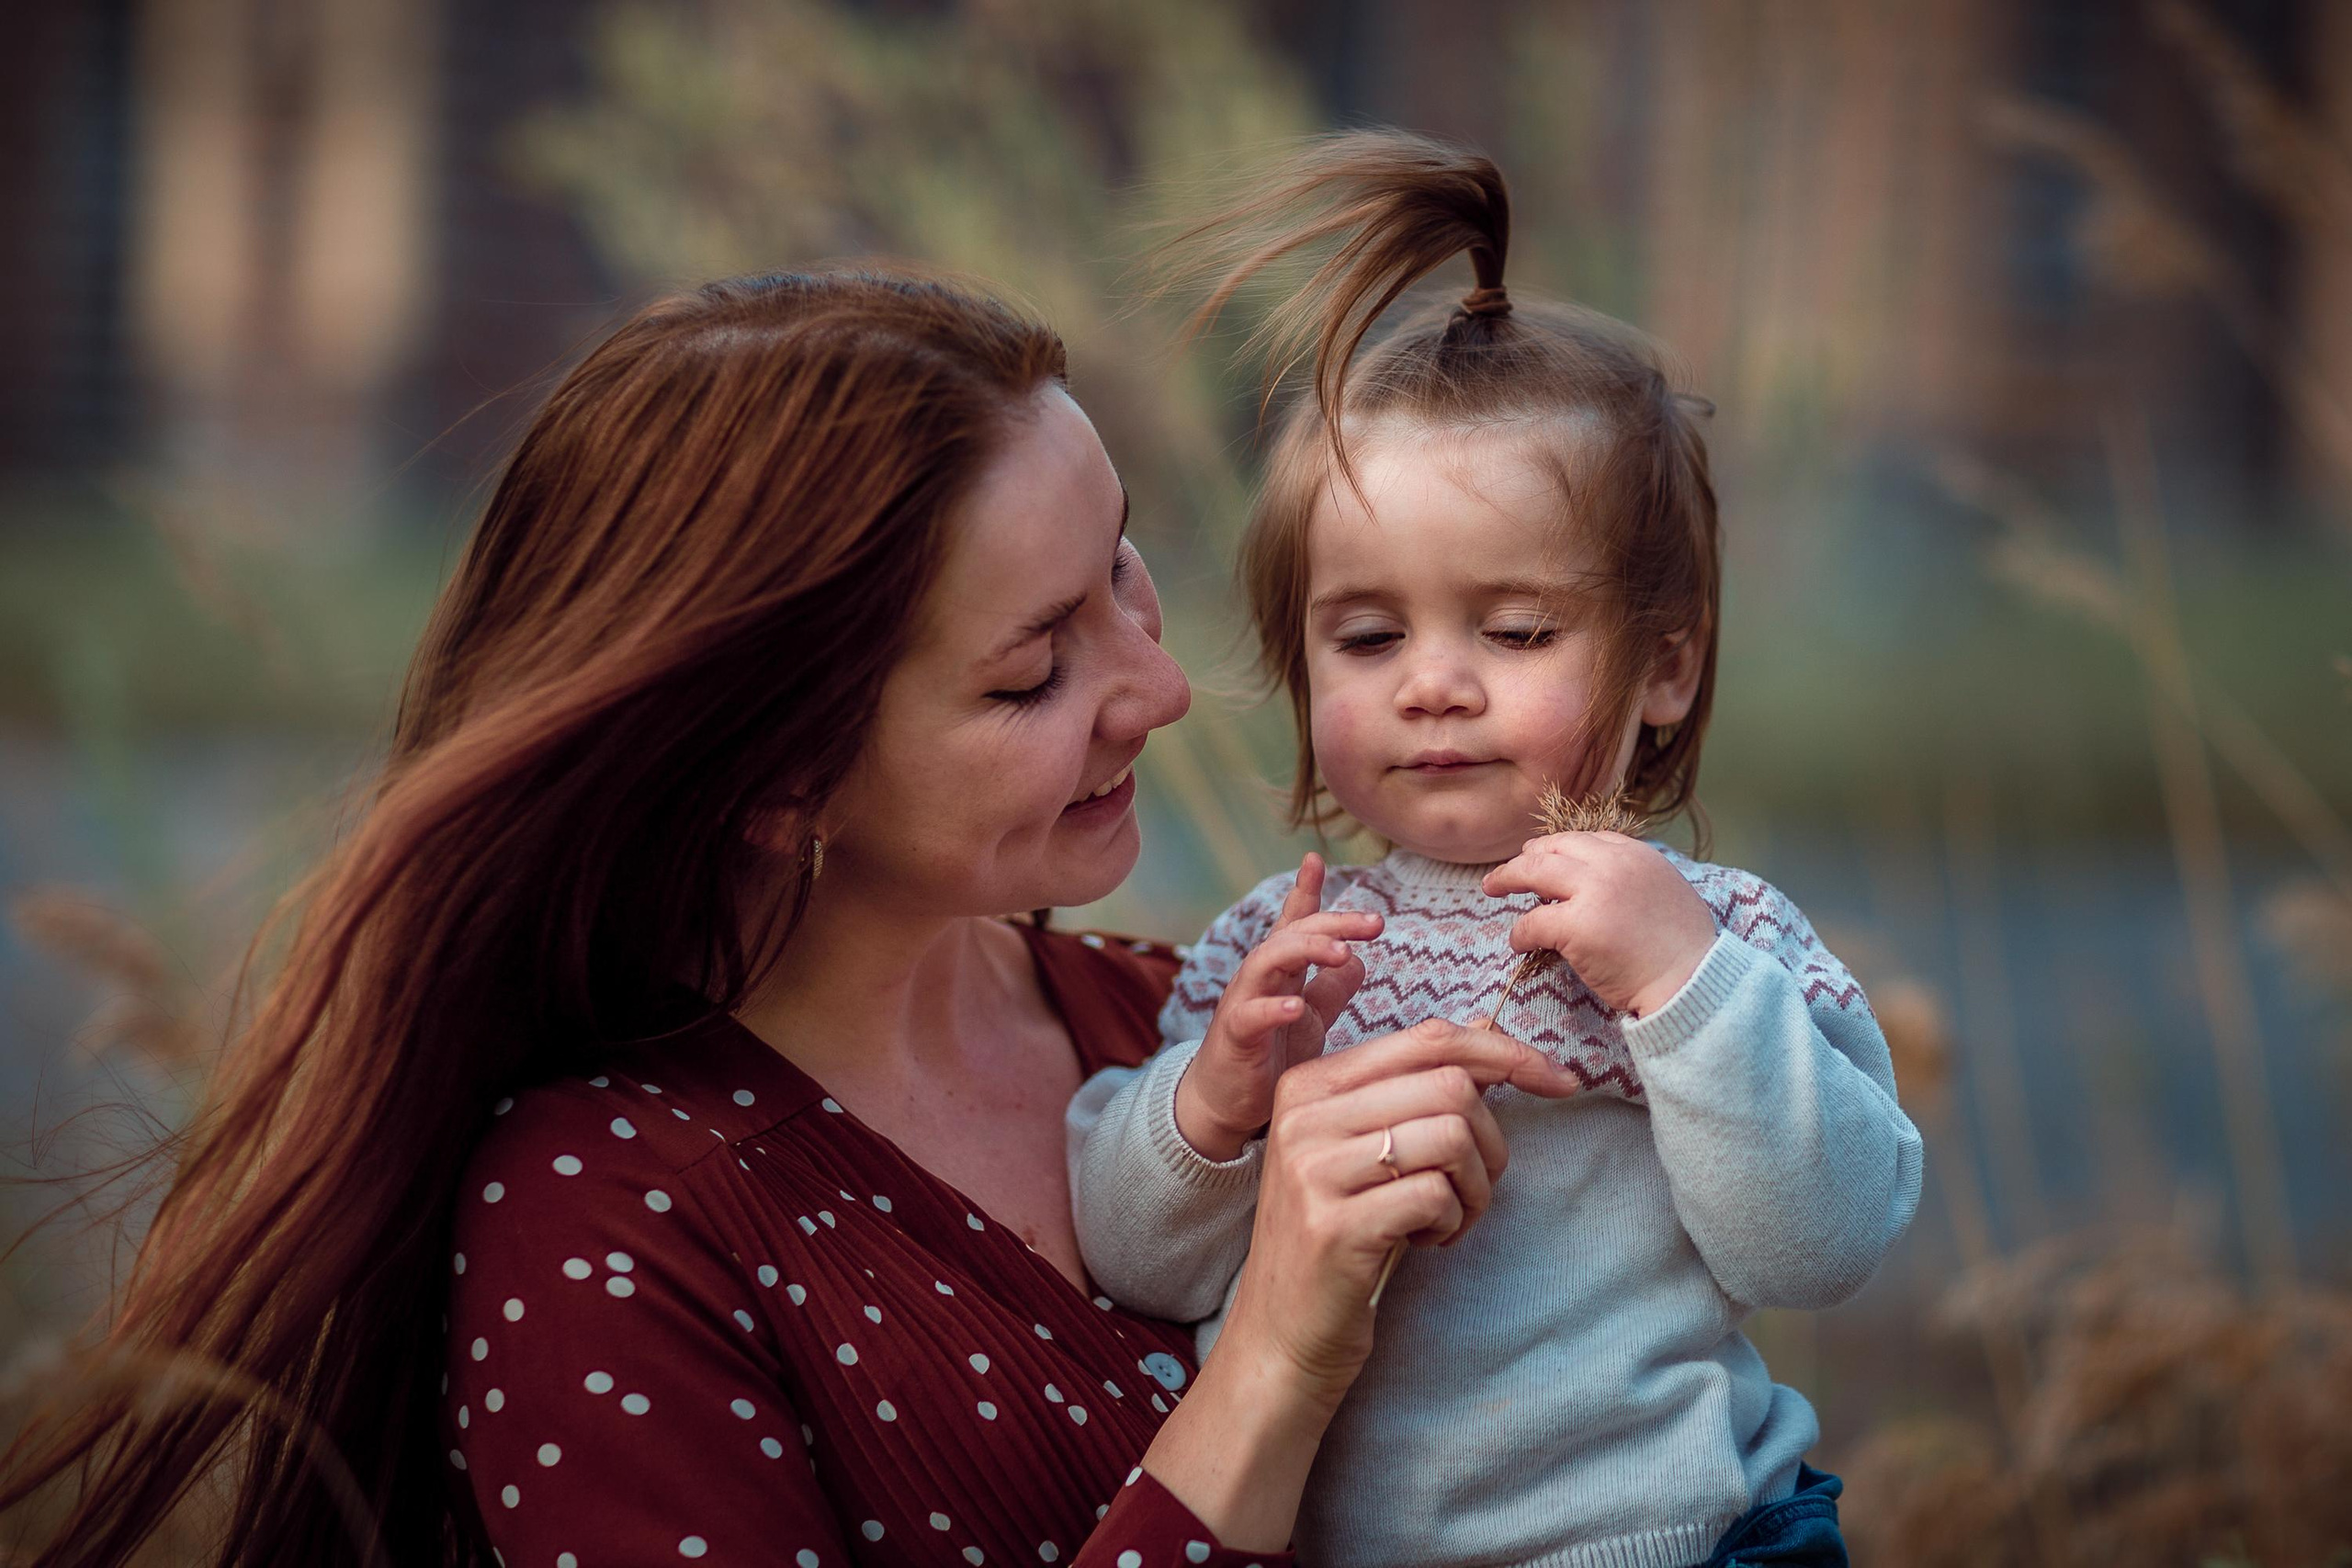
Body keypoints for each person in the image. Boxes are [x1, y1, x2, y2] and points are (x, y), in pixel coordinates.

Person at [0, 269, 1585, 1565]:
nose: (1159, 690)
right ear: (776, 777)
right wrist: (1273, 1369)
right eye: (1033, 671)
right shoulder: (601, 1233)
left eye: (1124, 568)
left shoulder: (1174, 1023)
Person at [1071, 133, 1925, 1568]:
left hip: (1686, 1542)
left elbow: (1823, 1245)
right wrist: (1217, 1101)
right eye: (1367, 636)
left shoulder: (1725, 936)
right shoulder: (1279, 951)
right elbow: (1135, 1261)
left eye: (1516, 632)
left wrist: (1680, 985)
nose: (1433, 683)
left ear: (1664, 665)